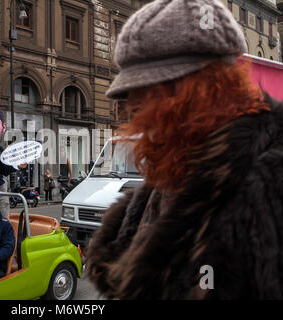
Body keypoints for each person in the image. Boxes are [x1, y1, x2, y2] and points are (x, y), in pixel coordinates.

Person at [86, 0, 283, 299]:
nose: (134, 108)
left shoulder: (269, 184)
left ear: (206, 89)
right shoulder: (169, 176)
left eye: (149, 91)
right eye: (129, 94)